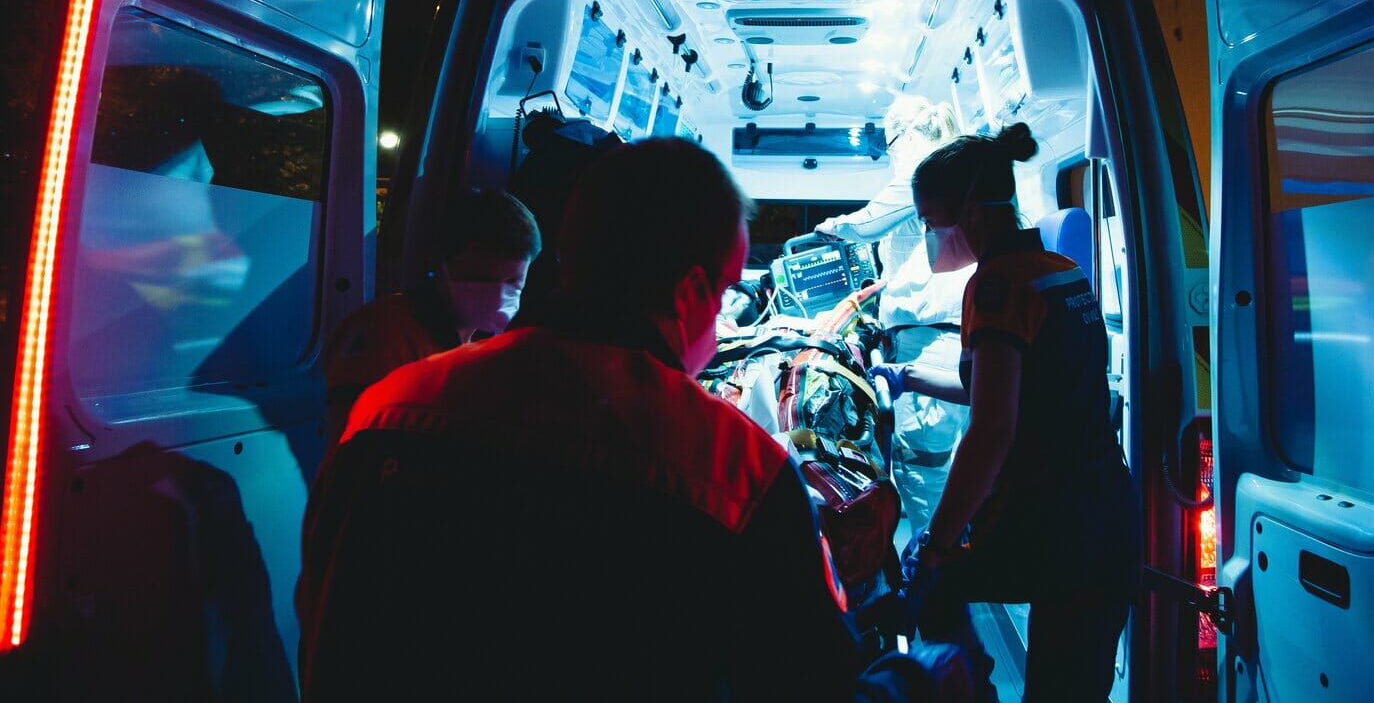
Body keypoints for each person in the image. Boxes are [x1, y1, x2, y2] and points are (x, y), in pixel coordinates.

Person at [296, 139, 865, 700]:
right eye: (722, 292)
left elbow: (324, 620)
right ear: (691, 290)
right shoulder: (738, 467)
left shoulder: (390, 405)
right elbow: (812, 679)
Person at [893, 123, 1138, 702]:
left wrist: (937, 544)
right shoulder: (1062, 272)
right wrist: (908, 378)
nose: (931, 237)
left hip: (1058, 528)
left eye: (931, 224)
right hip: (1107, 515)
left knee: (930, 577)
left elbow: (993, 429)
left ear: (970, 212)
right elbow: (1016, 390)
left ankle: (966, 687)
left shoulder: (995, 286)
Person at [815, 94, 971, 536]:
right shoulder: (950, 170)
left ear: (901, 136)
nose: (889, 153)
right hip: (946, 336)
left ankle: (935, 576)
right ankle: (948, 568)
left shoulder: (922, 170)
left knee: (923, 472)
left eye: (888, 142)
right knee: (945, 469)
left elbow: (866, 223)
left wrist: (829, 227)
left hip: (929, 342)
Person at [321, 187, 540, 445]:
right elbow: (355, 453)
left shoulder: (481, 344)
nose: (499, 295)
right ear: (443, 267)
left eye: (514, 281)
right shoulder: (384, 336)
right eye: (482, 280)